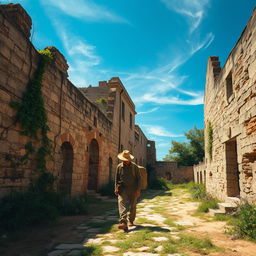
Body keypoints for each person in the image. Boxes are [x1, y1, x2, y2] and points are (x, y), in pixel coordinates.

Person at [114, 150, 141, 231]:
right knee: (121, 203)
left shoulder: (134, 167)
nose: (124, 161)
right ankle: (123, 222)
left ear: (129, 159)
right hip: (122, 189)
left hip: (133, 189)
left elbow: (139, 179)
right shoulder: (119, 166)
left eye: (126, 160)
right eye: (123, 159)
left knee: (133, 205)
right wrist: (115, 188)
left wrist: (138, 190)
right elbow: (117, 178)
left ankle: (131, 220)